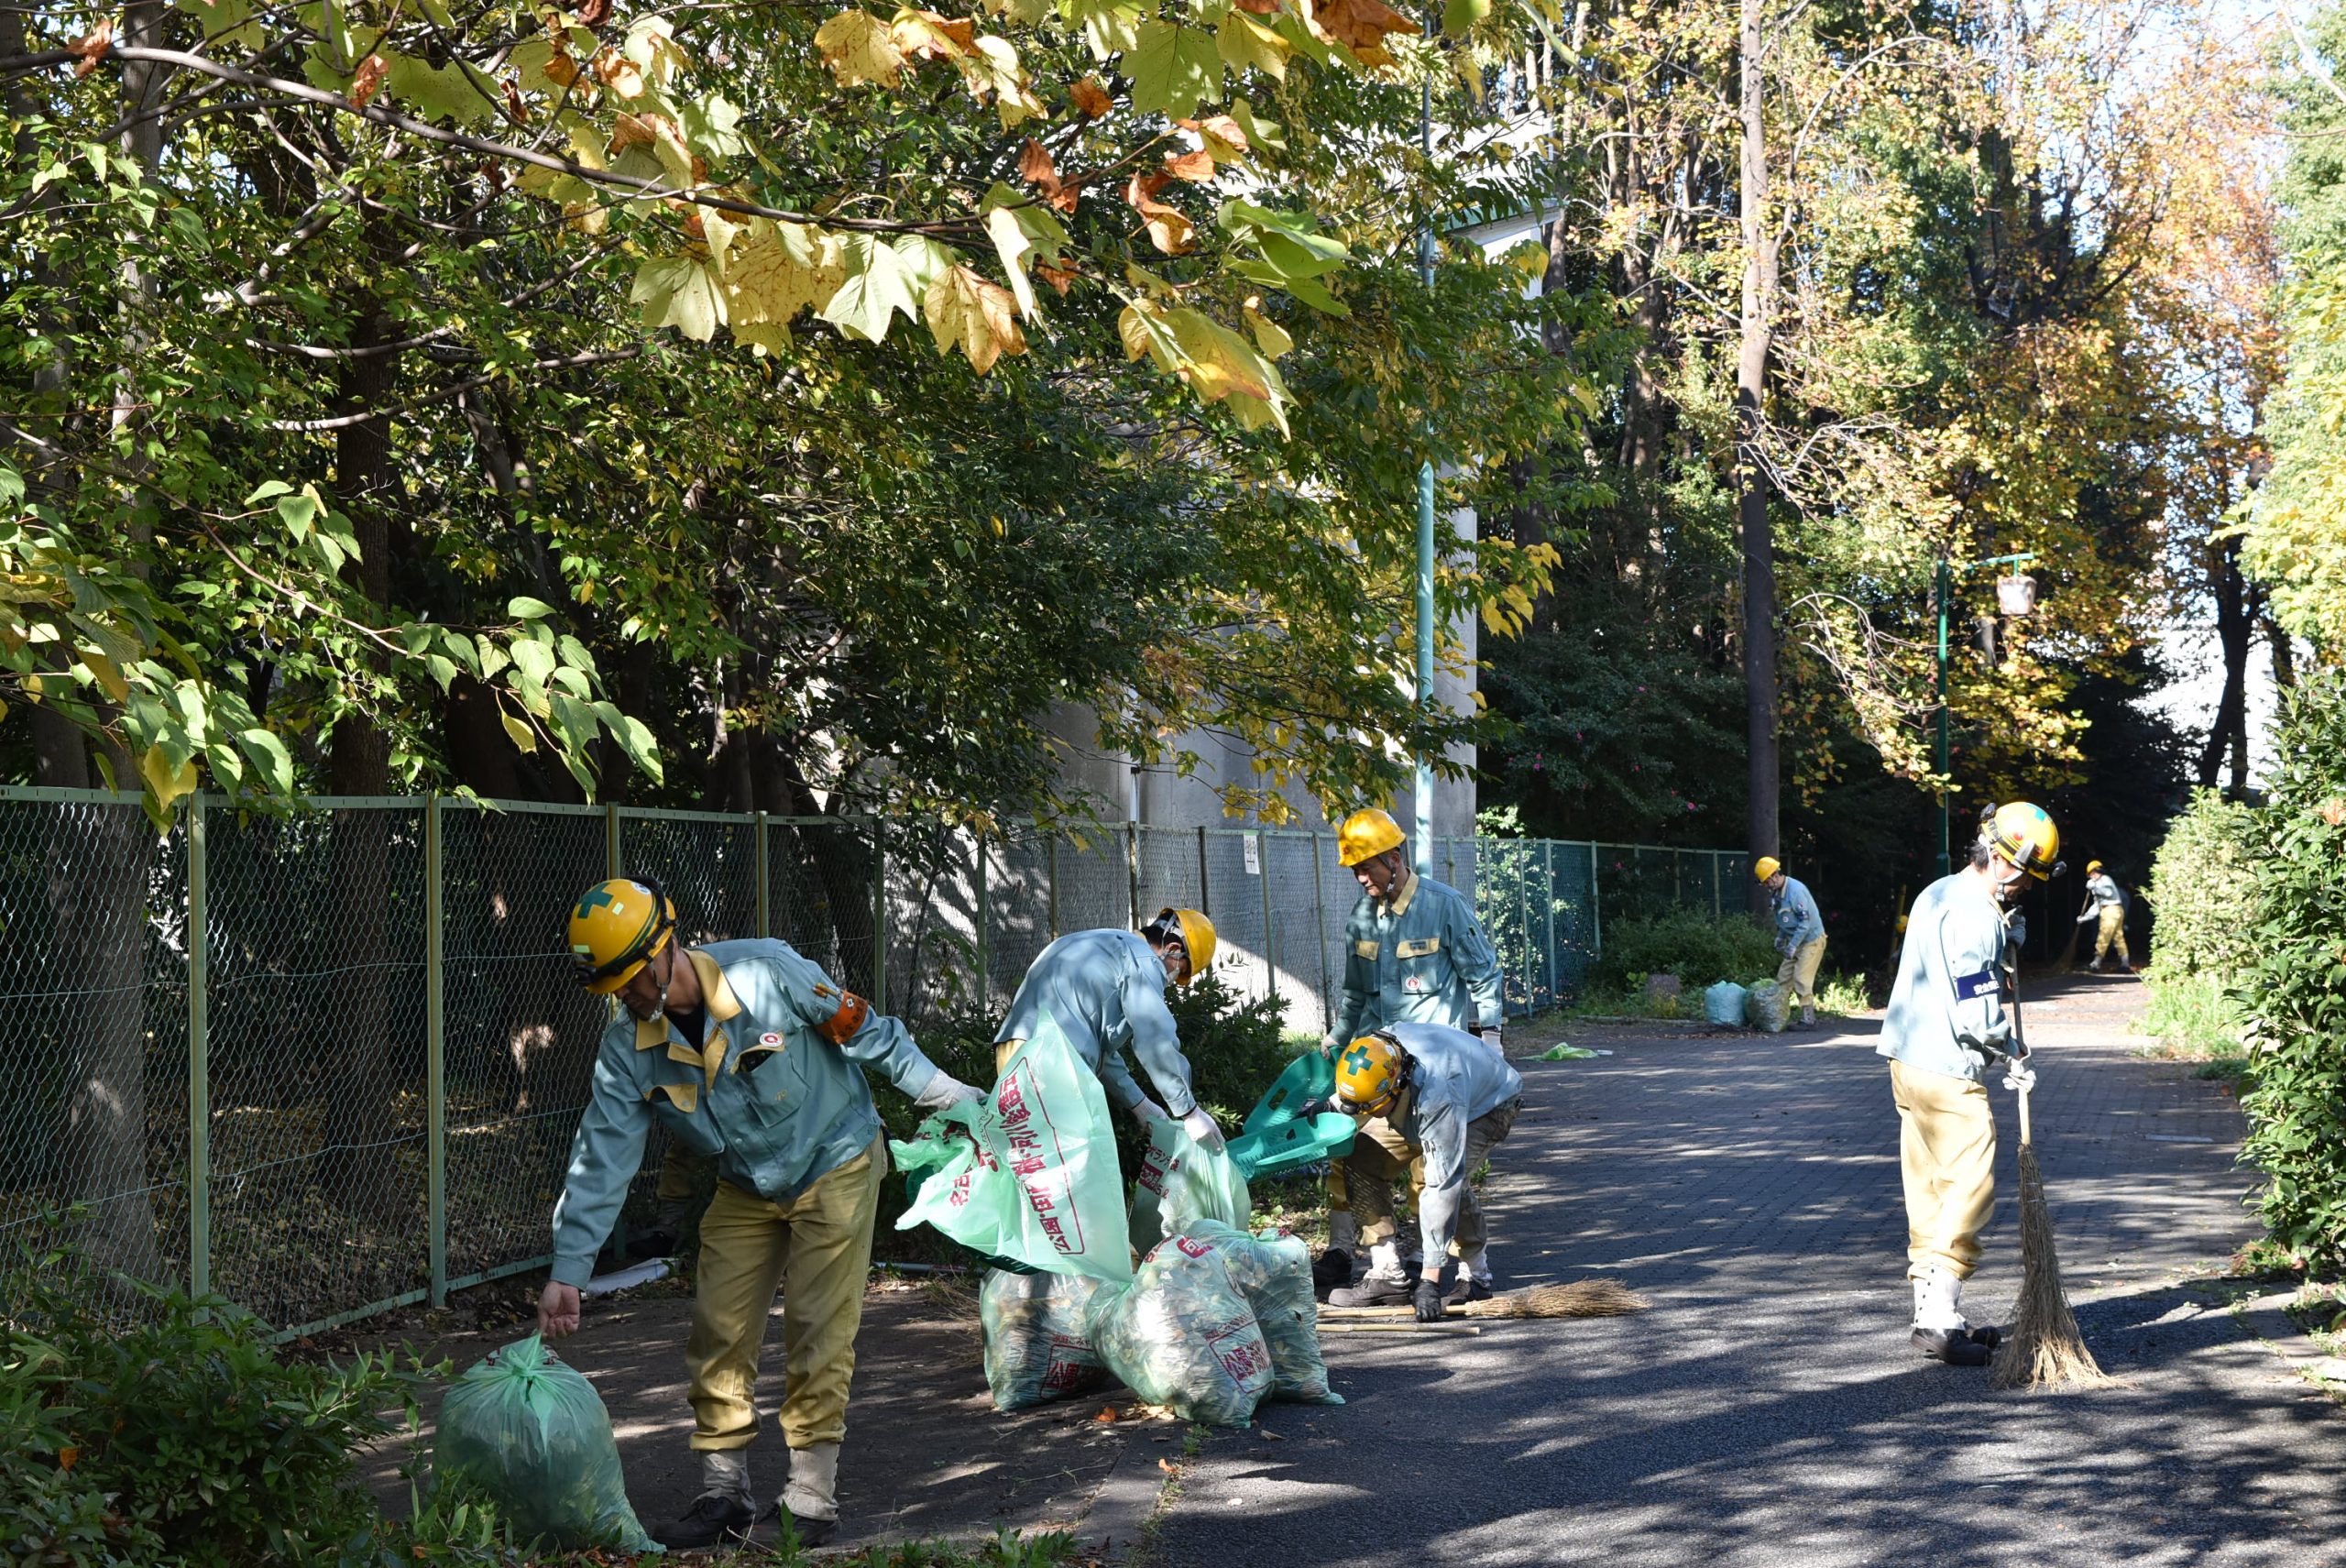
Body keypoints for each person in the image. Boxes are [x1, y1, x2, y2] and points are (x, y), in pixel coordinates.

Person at [538, 877, 984, 1549]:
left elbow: (863, 1029)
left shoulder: (768, 973)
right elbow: (600, 1157)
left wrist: (943, 1091)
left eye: (632, 980)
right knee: (717, 1327)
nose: (626, 998)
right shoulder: (626, 1049)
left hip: (836, 1157)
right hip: (747, 1183)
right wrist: (568, 1269)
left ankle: (810, 1496)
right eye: (614, 990)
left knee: (816, 1327)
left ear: (666, 947)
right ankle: (724, 1491)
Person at [1878, 802, 2060, 1366]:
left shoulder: (1938, 892)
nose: (2026, 887)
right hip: (1947, 1071)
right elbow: (1975, 1011)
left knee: (1930, 1187)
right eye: (2028, 877)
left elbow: (1953, 960)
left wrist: (2006, 938)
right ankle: (1938, 1314)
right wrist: (2011, 1045)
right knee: (1971, 1188)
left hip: (1906, 1061)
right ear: (2009, 864)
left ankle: (1933, 1314)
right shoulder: (1978, 917)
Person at [1318, 807, 1506, 1296]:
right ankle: (1385, 1268)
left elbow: (1483, 976)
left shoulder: (1445, 906)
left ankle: (1448, 1266)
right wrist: (1338, 1042)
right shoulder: (1362, 918)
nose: (1361, 879)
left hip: (1435, 1075)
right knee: (1357, 1157)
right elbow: (1355, 997)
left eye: (1367, 868)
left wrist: (1491, 1043)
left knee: (1435, 1174)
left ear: (1394, 859)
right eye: (1355, 870)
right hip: (1380, 1072)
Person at [1319, 1025, 1523, 1315]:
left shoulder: (1440, 1096)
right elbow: (1365, 1078)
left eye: (1367, 1107)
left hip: (1487, 1104)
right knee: (1360, 1158)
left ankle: (1476, 1278)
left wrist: (1430, 1278)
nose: (1361, 1112)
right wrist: (1332, 1103)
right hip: (1418, 1093)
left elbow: (1442, 1186)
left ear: (1396, 1087)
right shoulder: (1380, 1052)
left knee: (1450, 1183)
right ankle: (1387, 1274)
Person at [993, 908, 1226, 1152]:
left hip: (1013, 1053)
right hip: (1056, 1066)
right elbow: (1155, 1038)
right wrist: (1189, 1111)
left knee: (1028, 1160)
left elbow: (1096, 1045)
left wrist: (1139, 1103)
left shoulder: (1103, 942)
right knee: (1069, 1173)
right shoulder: (1144, 961)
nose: (1172, 978)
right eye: (1180, 968)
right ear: (1174, 949)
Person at [1755, 855, 1826, 1028]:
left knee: (1802, 978)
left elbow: (1805, 923)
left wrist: (1792, 945)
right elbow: (1784, 920)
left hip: (1811, 941)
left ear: (1773, 876)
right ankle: (1777, 1017)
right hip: (1796, 941)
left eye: (1766, 882)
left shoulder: (1795, 891)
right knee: (1783, 978)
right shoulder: (1778, 892)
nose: (1765, 886)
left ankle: (1809, 1020)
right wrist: (1780, 937)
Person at [2075, 860, 2132, 973]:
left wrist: (2094, 887)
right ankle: (2125, 964)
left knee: (2104, 935)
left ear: (2096, 871)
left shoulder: (2105, 880)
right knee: (2118, 938)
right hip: (2114, 910)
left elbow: (2108, 893)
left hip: (2111, 910)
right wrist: (2085, 917)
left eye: (2092, 874)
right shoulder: (2098, 883)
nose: (2091, 877)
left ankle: (2096, 964)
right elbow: (2097, 905)